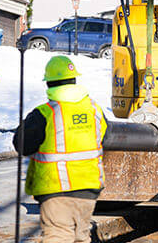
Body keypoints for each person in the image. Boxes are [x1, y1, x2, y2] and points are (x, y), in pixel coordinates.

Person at [13, 55, 108, 243]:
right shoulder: (94, 110)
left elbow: (21, 145)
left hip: (57, 190)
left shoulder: (46, 113)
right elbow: (104, 136)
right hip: (88, 190)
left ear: (49, 84)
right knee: (81, 237)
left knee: (58, 236)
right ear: (74, 80)